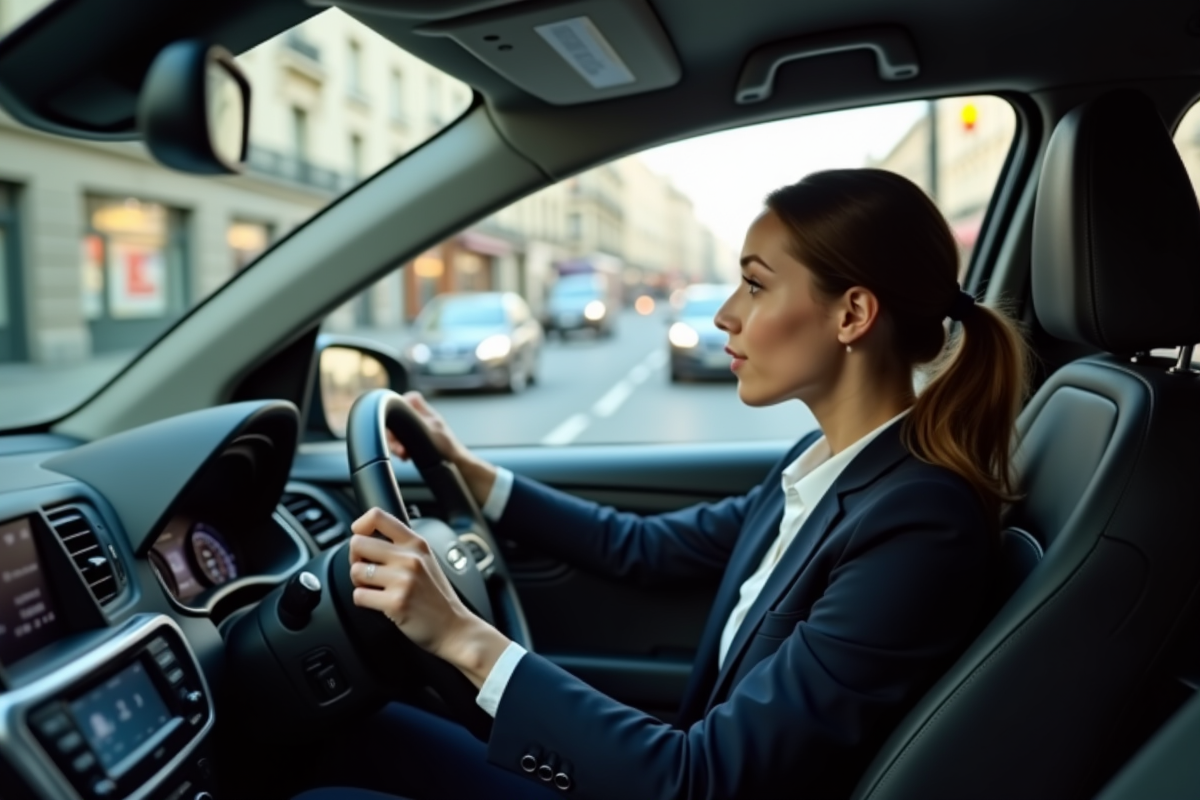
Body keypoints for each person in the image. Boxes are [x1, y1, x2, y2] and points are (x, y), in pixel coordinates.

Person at [295, 168, 1030, 800]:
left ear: (853, 313)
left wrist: (461, 635)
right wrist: (473, 475)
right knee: (359, 732)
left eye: (754, 284)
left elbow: (703, 778)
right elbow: (641, 548)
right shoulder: (823, 463)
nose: (723, 314)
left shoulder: (918, 524)